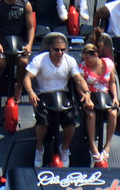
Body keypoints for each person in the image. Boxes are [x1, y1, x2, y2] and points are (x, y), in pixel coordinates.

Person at [23, 32, 92, 168]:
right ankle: (39, 148)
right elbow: (27, 78)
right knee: (42, 120)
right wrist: (30, 92)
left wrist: (87, 92)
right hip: (44, 94)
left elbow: (79, 79)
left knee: (71, 121)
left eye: (62, 50)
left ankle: (65, 148)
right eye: (56, 50)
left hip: (63, 94)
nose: (59, 53)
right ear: (50, 48)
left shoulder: (69, 60)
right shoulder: (39, 59)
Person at [79, 41, 119, 166]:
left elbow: (112, 82)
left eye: (88, 58)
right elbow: (79, 85)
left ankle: (107, 145)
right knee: (91, 115)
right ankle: (92, 145)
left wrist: (115, 97)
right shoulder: (82, 67)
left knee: (113, 113)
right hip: (90, 95)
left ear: (96, 55)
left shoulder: (108, 63)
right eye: (84, 59)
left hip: (105, 94)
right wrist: (86, 98)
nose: (87, 61)